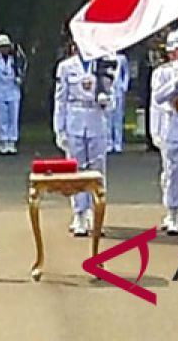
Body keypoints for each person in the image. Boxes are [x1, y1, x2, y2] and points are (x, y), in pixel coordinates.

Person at [53, 43, 111, 236]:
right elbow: (60, 99)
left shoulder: (104, 64)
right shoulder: (66, 67)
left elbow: (115, 93)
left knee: (97, 170)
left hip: (96, 117)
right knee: (76, 170)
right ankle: (79, 214)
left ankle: (96, 215)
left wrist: (108, 102)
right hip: (75, 117)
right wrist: (59, 128)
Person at [151, 28, 178, 235]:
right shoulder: (163, 72)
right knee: (172, 172)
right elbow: (158, 97)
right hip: (173, 125)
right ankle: (172, 213)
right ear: (171, 52)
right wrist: (175, 83)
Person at [0, 33, 22, 155]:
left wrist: (19, 79)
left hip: (13, 92)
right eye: (2, 46)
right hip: (0, 92)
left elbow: (20, 71)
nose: (5, 49)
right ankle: (2, 141)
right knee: (1, 118)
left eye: (6, 46)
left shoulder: (15, 60)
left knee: (13, 117)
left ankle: (12, 141)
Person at [106, 51, 130, 153]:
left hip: (118, 90)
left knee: (118, 117)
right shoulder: (104, 57)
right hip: (107, 90)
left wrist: (124, 86)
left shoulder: (121, 58)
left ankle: (118, 143)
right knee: (107, 117)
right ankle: (108, 143)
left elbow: (126, 72)